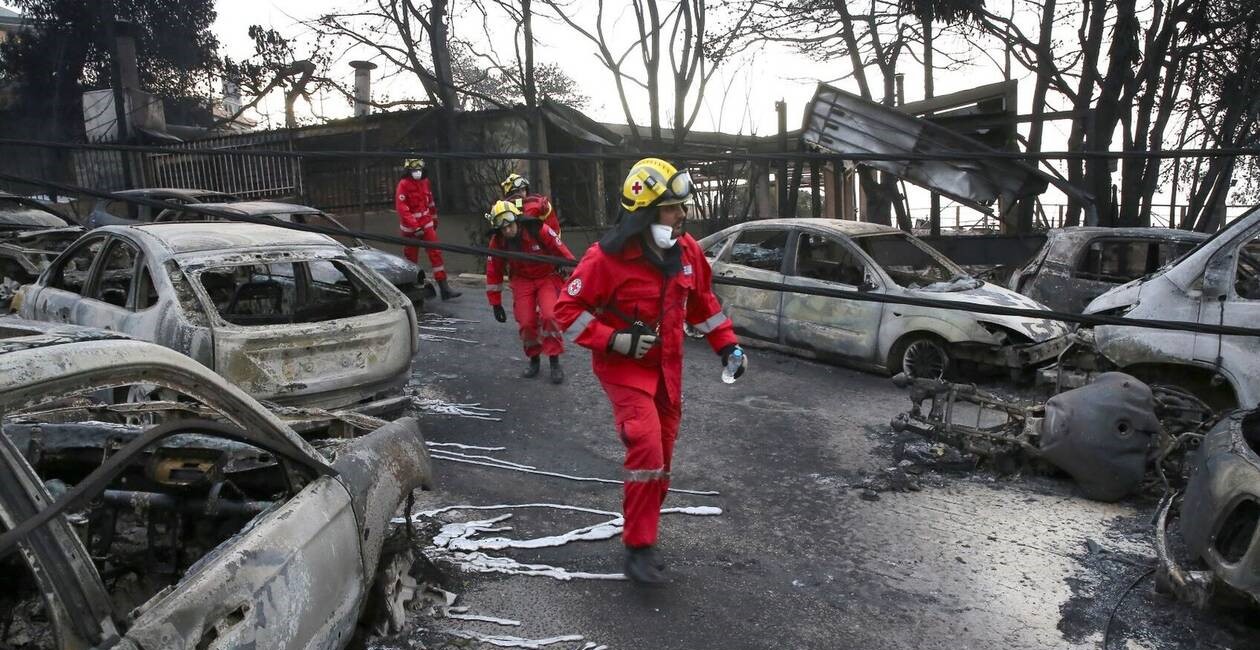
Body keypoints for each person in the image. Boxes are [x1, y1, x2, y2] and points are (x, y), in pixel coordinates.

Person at [553, 157, 747, 585]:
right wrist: (615, 339)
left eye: (682, 206)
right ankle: (638, 547)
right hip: (624, 372)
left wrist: (727, 345)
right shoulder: (605, 260)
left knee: (661, 463)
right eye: (672, 207)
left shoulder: (688, 252)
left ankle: (646, 534)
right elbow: (566, 310)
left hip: (668, 371)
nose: (682, 215)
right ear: (644, 212)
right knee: (646, 449)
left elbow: (703, 306)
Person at [485, 200, 576, 383]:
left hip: (547, 276)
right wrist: (495, 303)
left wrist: (577, 282)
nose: (508, 231)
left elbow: (563, 253)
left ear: (517, 221)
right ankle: (534, 359)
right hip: (522, 280)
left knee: (550, 316)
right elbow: (493, 271)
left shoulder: (538, 230)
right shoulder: (499, 241)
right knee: (526, 322)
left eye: (510, 226)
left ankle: (554, 361)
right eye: (503, 228)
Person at [395, 158, 460, 300]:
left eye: (419, 170)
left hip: (427, 224)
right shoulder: (403, 185)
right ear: (408, 171)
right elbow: (402, 209)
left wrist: (434, 219)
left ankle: (444, 288)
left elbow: (430, 202)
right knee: (410, 259)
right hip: (411, 230)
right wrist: (415, 226)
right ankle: (411, 288)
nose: (417, 173)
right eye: (414, 170)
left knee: (436, 253)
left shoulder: (425, 182)